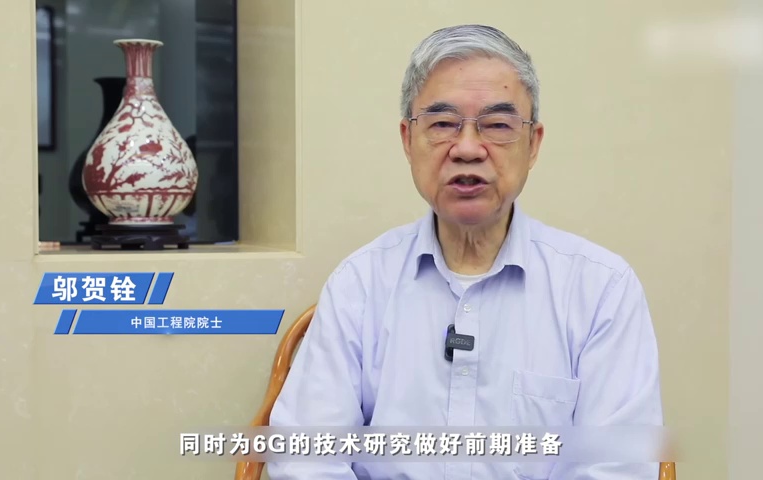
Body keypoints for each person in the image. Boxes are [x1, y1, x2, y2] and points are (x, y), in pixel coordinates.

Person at [267, 24, 663, 479]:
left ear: (533, 144)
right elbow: (303, 458)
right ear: (407, 140)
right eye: (442, 124)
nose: (469, 149)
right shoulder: (360, 284)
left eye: (497, 125)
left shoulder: (601, 289)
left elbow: (618, 467)